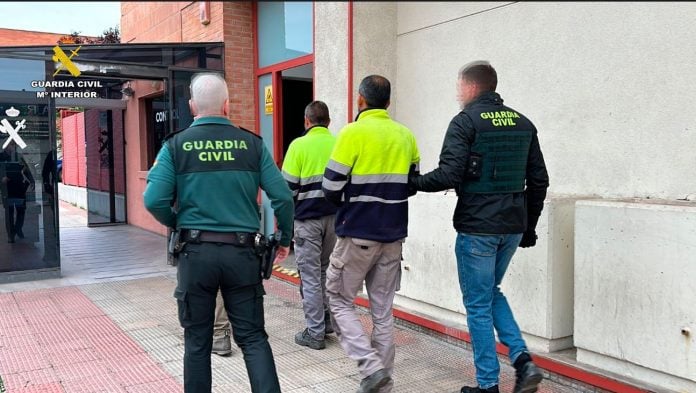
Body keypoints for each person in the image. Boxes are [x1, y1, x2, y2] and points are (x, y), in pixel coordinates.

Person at [144, 72, 293, 393]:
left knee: (197, 341)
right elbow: (282, 197)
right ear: (227, 105)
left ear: (192, 106)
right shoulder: (252, 144)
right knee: (253, 338)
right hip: (243, 256)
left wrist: (176, 223)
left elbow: (153, 199)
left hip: (195, 254)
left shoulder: (175, 145)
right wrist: (283, 239)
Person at [409, 61, 549, 393]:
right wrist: (528, 226)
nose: (457, 93)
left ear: (472, 87)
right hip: (512, 226)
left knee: (477, 304)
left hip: (478, 228)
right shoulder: (523, 123)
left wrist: (411, 182)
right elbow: (539, 180)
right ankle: (522, 361)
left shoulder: (465, 122)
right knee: (490, 293)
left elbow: (448, 175)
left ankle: (488, 385)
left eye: (459, 86)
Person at [322, 75, 420, 393]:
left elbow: (330, 187)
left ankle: (371, 367)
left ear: (360, 100)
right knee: (382, 310)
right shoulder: (405, 135)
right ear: (388, 103)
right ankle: (382, 383)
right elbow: (412, 184)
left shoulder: (352, 133)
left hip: (357, 235)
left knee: (338, 299)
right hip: (393, 236)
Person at [281, 100, 338, 350]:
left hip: (307, 221)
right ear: (328, 121)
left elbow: (287, 189)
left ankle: (314, 333)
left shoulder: (299, 145)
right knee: (324, 270)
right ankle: (325, 322)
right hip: (335, 220)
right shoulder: (339, 143)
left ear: (307, 121)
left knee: (310, 276)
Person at [1, 143, 34, 243]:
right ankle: (11, 235)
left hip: (19, 187)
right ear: (6, 146)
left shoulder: (19, 156)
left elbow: (27, 169)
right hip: (7, 188)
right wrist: (1, 179)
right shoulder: (1, 156)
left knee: (21, 210)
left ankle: (17, 229)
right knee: (9, 212)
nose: (13, 148)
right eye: (11, 145)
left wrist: (32, 181)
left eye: (14, 146)